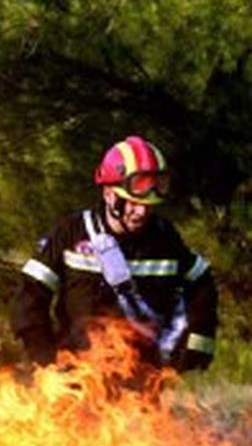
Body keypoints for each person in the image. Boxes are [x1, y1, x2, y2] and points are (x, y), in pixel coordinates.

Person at [12, 136, 219, 371]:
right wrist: (45, 356)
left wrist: (195, 350)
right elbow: (31, 292)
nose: (141, 212)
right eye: (132, 202)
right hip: (77, 376)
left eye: (149, 205)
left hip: (140, 382)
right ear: (109, 194)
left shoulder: (165, 238)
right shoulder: (70, 233)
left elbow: (201, 283)